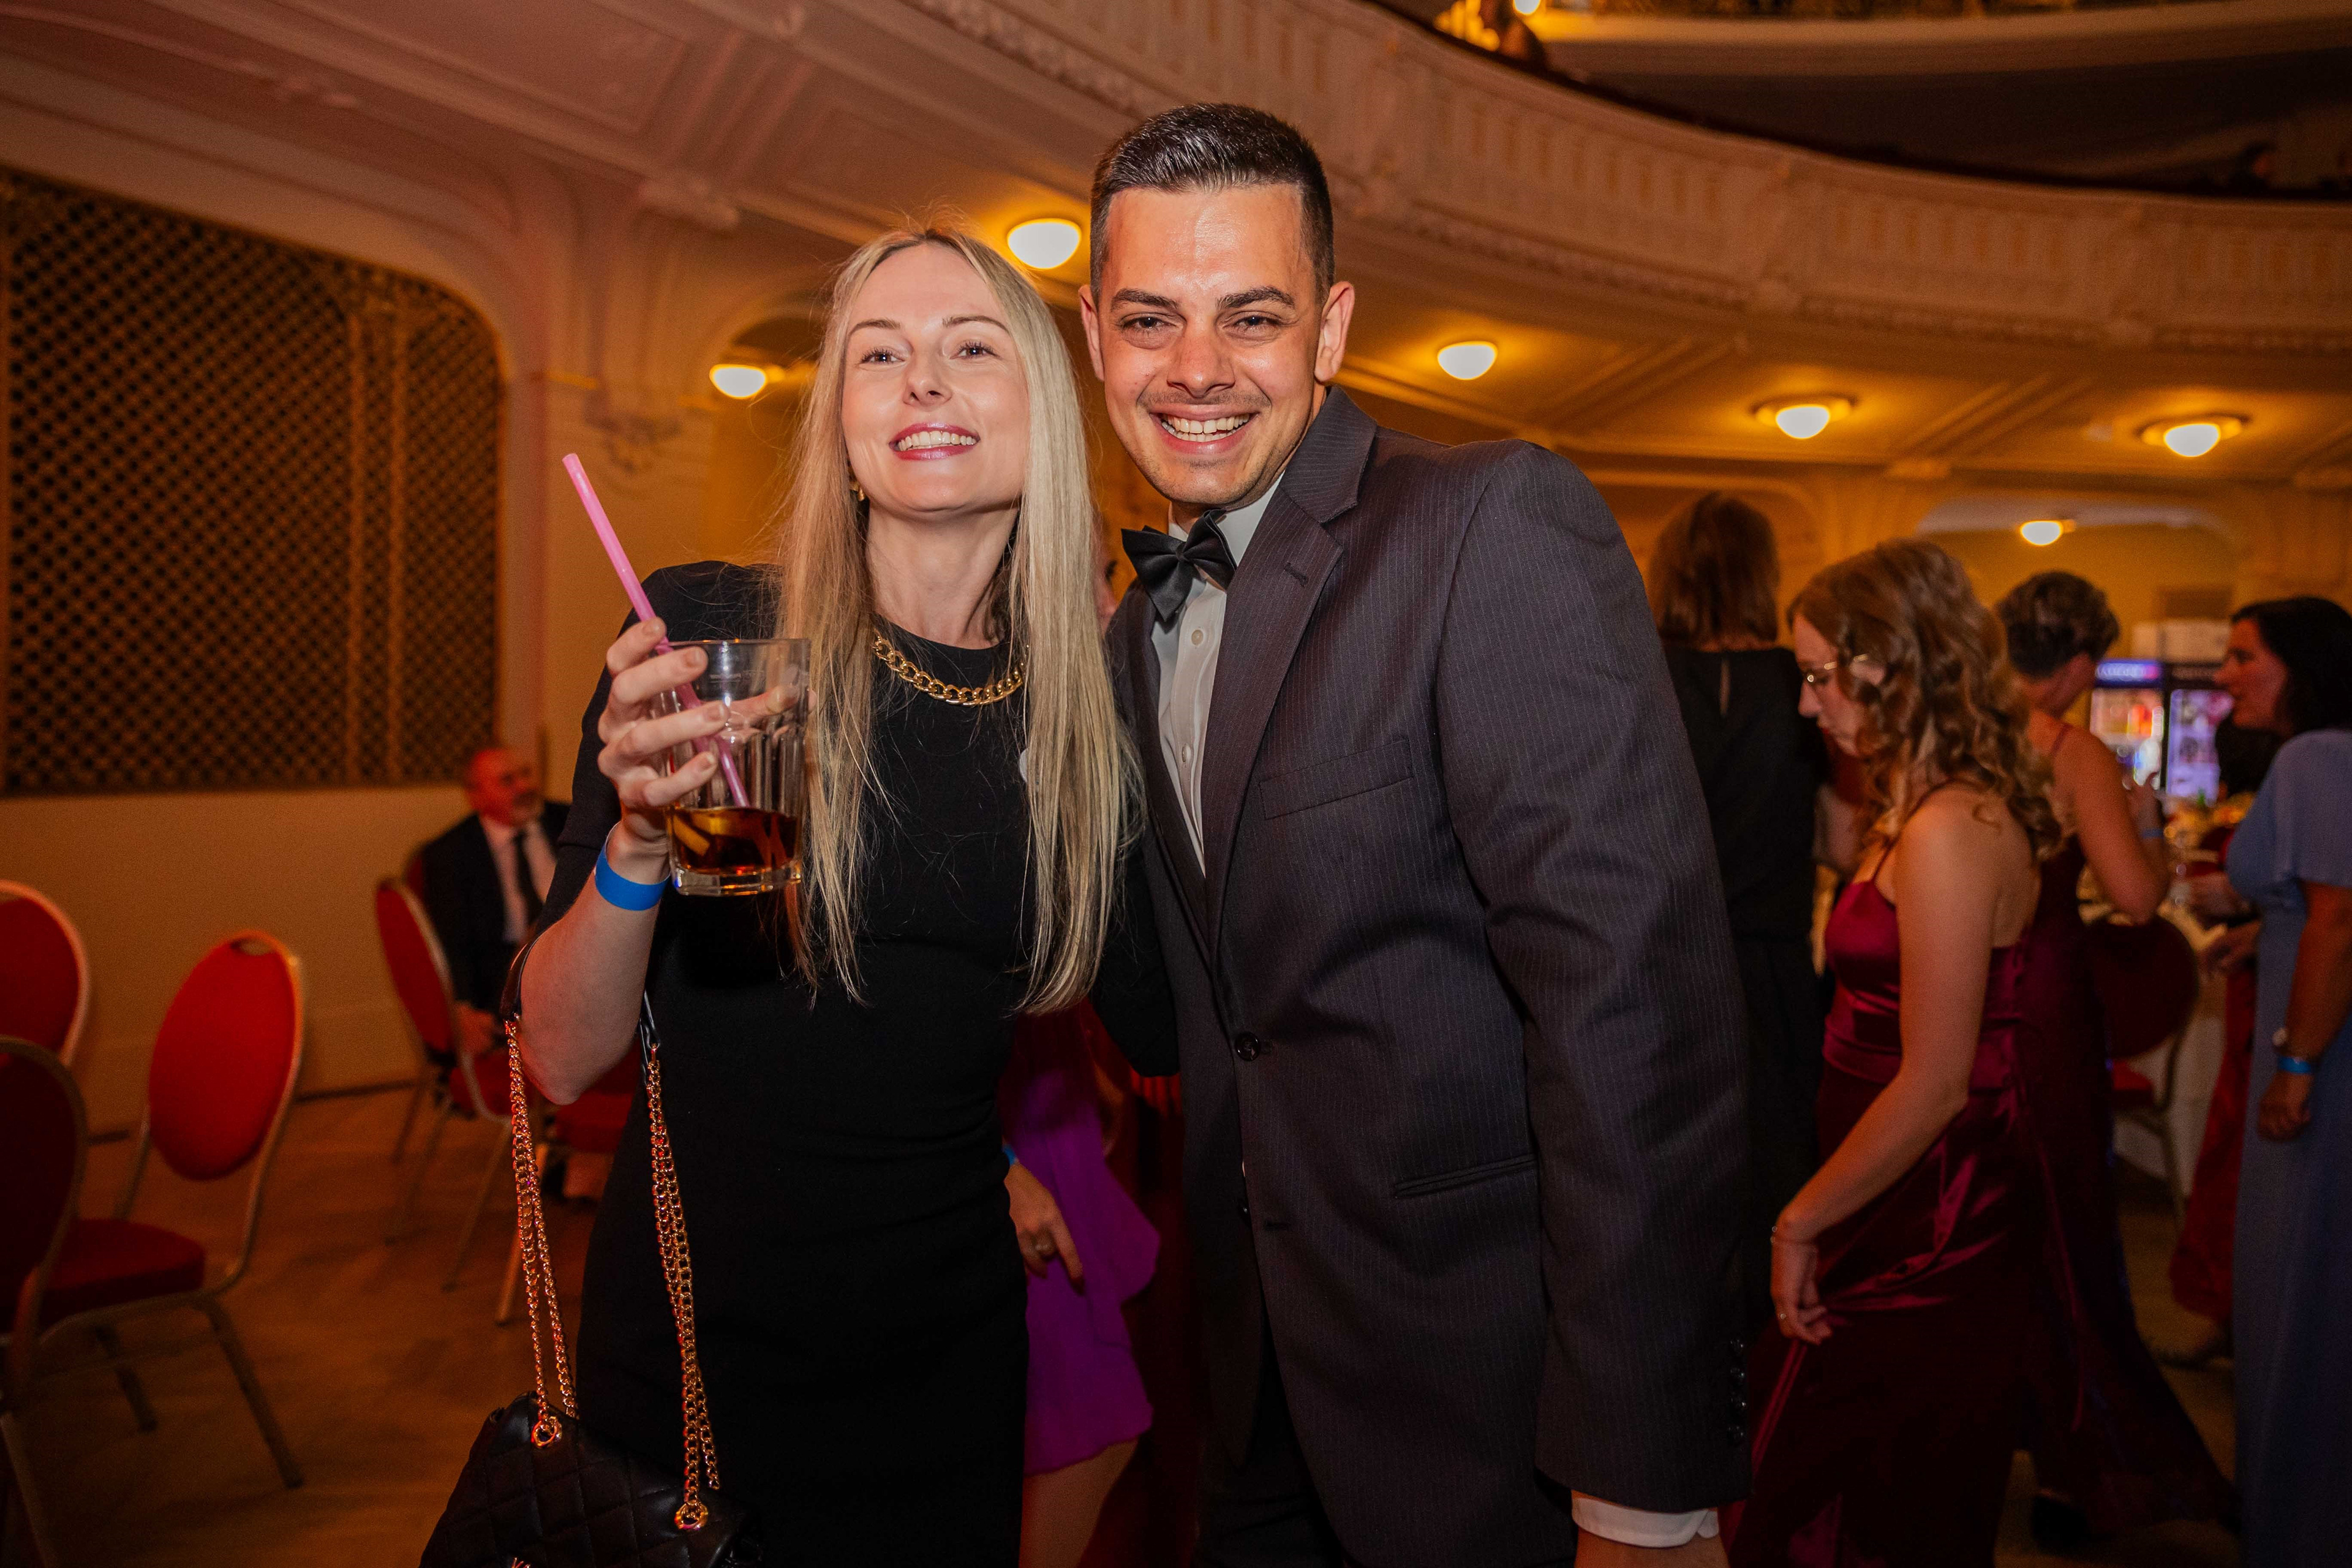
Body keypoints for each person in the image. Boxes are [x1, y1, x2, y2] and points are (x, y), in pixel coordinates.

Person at [1083, 104, 1750, 1566]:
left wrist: (1642, 1487)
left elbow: (1633, 1009)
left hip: (1490, 1403)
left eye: (1251, 315)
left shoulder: (1488, 525)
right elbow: (1170, 1010)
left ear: (1330, 327)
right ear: (1094, 335)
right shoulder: (1132, 631)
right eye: (1149, 319)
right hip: (1254, 1392)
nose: (1195, 367)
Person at [516, 226, 1173, 1563]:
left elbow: (1159, 1023)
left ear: (1044, 410)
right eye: (879, 355)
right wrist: (638, 841)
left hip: (946, 1364)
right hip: (696, 1355)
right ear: (842, 423)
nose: (921, 379)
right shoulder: (717, 642)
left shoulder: (1083, 713)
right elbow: (562, 1055)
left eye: (971, 347)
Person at [1727, 539, 2060, 1568]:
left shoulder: (1952, 827)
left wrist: (1798, 1221)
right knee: (1833, 1486)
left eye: (1820, 676)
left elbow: (1936, 1081)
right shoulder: (1915, 809)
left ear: (1889, 667)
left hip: (1932, 1203)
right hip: (1884, 1178)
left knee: (1856, 1485)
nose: (1806, 703)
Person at [1992, 571, 2233, 1545]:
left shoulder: (1961, 731)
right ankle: (2074, 1470)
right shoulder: (2071, 750)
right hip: (2043, 1008)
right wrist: (2144, 826)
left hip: (1966, 997)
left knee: (1977, 1229)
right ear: (2083, 664)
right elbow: (2137, 901)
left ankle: (1981, 1442)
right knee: (2067, 1233)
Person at [1647, 493, 1834, 1330]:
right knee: (1777, 1171)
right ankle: (1772, 1355)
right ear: (1764, 574)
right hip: (1773, 970)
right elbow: (1842, 838)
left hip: (1663, 966)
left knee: (1666, 1177)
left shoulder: (1637, 671)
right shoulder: (1802, 683)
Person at [2204, 596, 2352, 1567]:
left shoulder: (2317, 758)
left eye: (2242, 656)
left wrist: (2295, 1068)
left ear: (2302, 665)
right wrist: (2265, 930)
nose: (2225, 677)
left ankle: (2303, 1522)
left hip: (2322, 1056)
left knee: (2300, 1283)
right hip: (2315, 1030)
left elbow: (2340, 920)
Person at [1001, 1004, 1158, 1568]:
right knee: (1084, 1434)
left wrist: (1085, 1069)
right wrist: (999, 1166)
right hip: (1000, 1114)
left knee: (1080, 1435)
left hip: (1046, 1081)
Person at [2162, 718, 2282, 1366]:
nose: (2228, 674)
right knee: (2235, 1138)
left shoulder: (2314, 771)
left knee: (2254, 1148)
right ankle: (2231, 1316)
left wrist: (2248, 911)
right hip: (2253, 984)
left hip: (2282, 995)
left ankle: (2252, 1323)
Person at [417, 745, 568, 1053]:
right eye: (507, 780)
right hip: (504, 984)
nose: (524, 787)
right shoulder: (449, 854)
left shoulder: (572, 822)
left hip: (577, 960)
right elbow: (451, 941)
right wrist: (460, 1006)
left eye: (526, 774)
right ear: (476, 797)